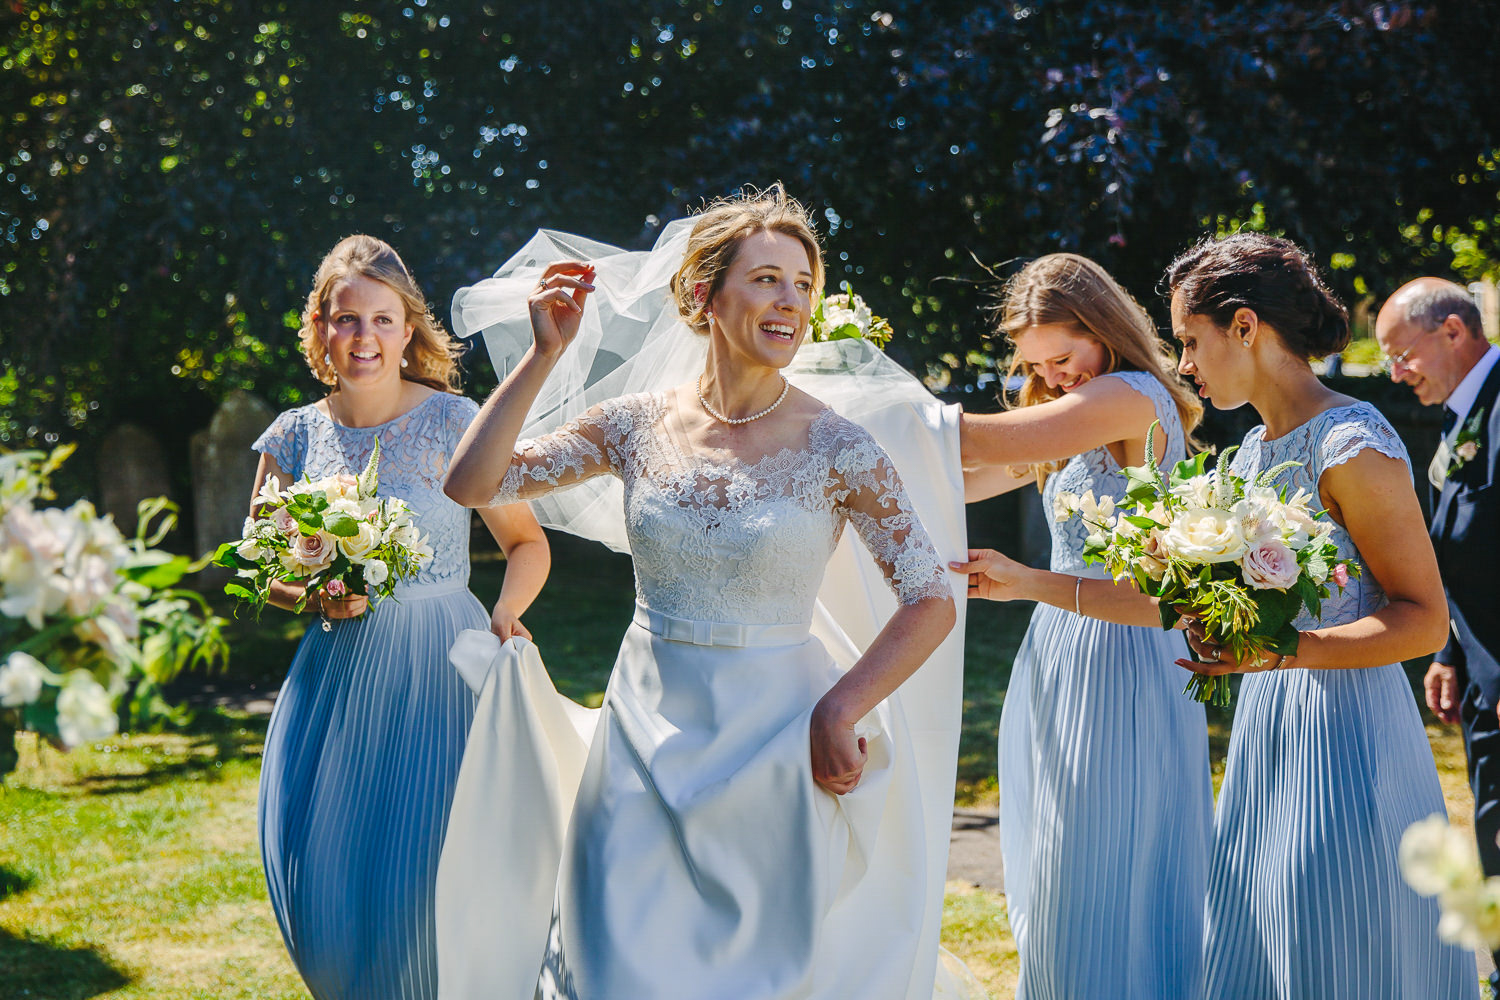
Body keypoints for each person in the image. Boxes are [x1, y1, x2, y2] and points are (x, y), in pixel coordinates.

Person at [441, 188, 960, 1000]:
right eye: (765, 279)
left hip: (775, 744)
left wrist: (840, 709)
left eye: (801, 283)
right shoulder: (633, 424)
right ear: (702, 297)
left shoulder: (839, 446)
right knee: (613, 968)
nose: (789, 300)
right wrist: (544, 355)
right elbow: (472, 483)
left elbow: (930, 597)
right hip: (643, 736)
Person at [958, 233, 1474, 998]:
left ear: (1244, 326)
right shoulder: (1248, 456)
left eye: (1191, 341)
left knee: (1341, 944)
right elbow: (1175, 604)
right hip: (1264, 728)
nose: (1186, 365)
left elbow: (1424, 621)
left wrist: (1283, 649)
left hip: (1350, 734)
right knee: (1252, 949)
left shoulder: (1353, 442)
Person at [250, 235, 550, 1000]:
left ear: (409, 328)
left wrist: (506, 616)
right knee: (324, 879)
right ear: (320, 328)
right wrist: (311, 595)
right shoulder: (293, 435)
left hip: (442, 670)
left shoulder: (456, 422)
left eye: (382, 321)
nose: (364, 339)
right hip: (337, 678)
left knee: (427, 877)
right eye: (346, 320)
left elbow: (525, 544)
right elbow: (261, 571)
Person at [956, 254, 1211, 999]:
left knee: (1093, 862)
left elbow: (1157, 597)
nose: (1056, 375)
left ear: (1103, 329)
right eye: (1037, 364)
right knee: (1058, 858)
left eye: (1063, 357)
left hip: (1120, 658)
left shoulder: (1127, 395)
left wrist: (844, 398)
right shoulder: (1080, 410)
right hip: (1067, 650)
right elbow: (966, 478)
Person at [1376, 277, 1500, 993]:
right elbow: (1469, 543)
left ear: (1453, 331)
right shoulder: (1462, 415)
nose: (1396, 372)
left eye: (1403, 354)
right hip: (1481, 677)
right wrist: (1450, 650)